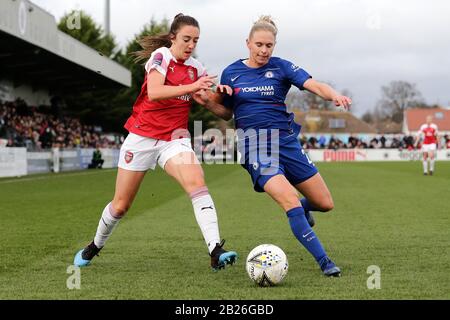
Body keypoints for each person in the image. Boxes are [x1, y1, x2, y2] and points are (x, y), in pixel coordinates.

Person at [73, 14, 237, 271]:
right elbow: (155, 92)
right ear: (173, 37)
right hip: (141, 138)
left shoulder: (196, 68)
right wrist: (192, 86)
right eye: (186, 39)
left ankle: (216, 249)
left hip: (174, 139)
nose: (191, 45)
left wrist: (220, 96)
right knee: (120, 206)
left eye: (195, 40)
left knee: (196, 182)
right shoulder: (161, 57)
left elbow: (221, 111)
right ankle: (95, 245)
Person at [195, 16, 352, 277]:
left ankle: (303, 209)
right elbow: (225, 112)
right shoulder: (232, 72)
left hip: (287, 142)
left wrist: (333, 94)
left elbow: (312, 84)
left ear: (274, 45)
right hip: (255, 146)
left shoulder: (281, 67)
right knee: (289, 200)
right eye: (259, 44)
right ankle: (325, 262)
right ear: (248, 43)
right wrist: (208, 102)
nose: (264, 50)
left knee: (324, 203)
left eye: (269, 45)